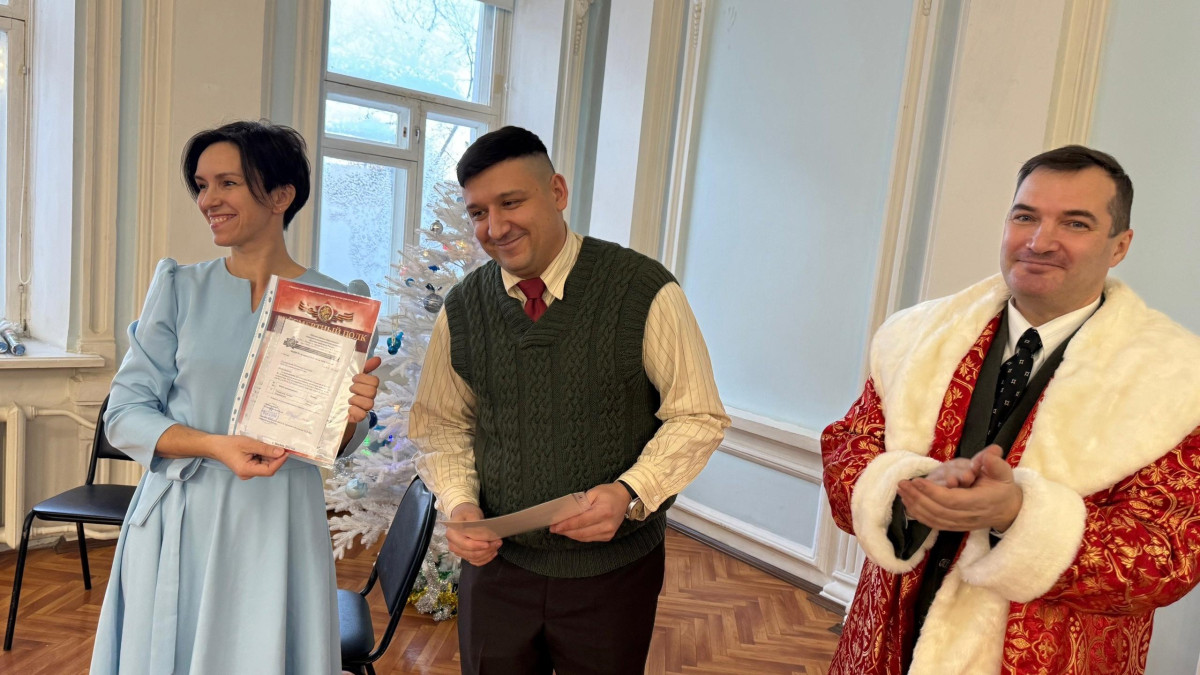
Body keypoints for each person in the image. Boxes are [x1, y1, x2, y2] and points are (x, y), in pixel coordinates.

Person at [821, 145, 1200, 674]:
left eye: (1075, 223)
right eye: (1025, 216)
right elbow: (849, 446)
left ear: (1120, 246)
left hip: (1051, 655)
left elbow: (1171, 552)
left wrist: (1019, 516)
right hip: (888, 633)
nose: (1039, 242)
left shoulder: (1179, 379)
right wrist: (910, 484)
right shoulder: (916, 336)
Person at [410, 126, 729, 674]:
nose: (495, 227)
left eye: (511, 202)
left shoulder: (643, 290)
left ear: (557, 191)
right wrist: (460, 503)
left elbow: (697, 414)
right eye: (479, 212)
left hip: (613, 575)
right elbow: (441, 424)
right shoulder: (463, 308)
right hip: (498, 570)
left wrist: (630, 492)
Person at [90, 120, 381, 674]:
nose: (208, 201)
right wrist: (214, 445)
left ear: (281, 195)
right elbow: (124, 415)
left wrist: (351, 415)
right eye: (202, 186)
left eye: (227, 183)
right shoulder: (178, 288)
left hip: (279, 519)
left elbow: (338, 442)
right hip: (182, 515)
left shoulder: (334, 304)